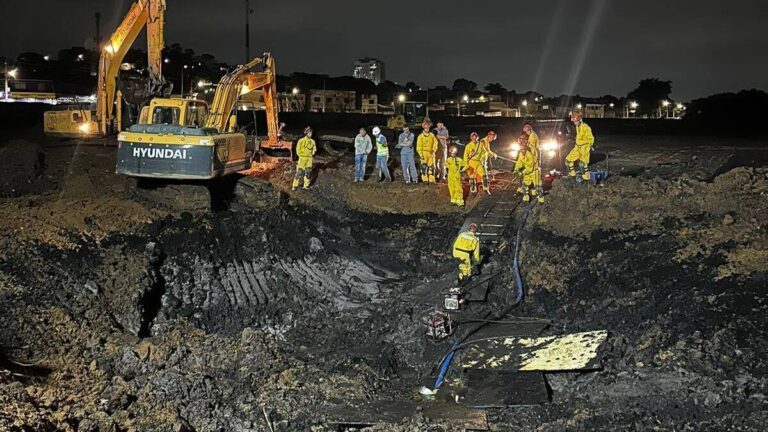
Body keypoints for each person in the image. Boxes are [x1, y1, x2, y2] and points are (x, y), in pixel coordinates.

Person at [514, 134, 544, 203]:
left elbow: (531, 165)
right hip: (528, 173)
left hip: (534, 172)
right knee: (524, 186)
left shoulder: (531, 153)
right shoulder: (522, 152)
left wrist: (522, 172)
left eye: (522, 139)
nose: (521, 150)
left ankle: (541, 200)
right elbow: (519, 162)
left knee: (538, 186)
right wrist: (516, 169)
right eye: (520, 149)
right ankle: (526, 199)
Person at [565, 112, 595, 181]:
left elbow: (591, 138)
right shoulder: (577, 126)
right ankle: (572, 174)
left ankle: (586, 177)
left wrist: (590, 146)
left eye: (576, 121)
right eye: (574, 121)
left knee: (582, 164)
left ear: (580, 120)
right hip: (577, 147)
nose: (575, 123)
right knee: (568, 161)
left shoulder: (586, 127)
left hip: (584, 147)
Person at [293, 126, 316, 190]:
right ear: (306, 133)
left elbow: (314, 149)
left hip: (309, 159)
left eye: (311, 133)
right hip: (302, 159)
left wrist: (312, 154)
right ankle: (295, 185)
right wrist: (301, 155)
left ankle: (306, 185)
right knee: (299, 172)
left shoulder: (312, 141)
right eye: (309, 133)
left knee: (308, 172)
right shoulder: (301, 141)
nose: (311, 134)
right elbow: (298, 149)